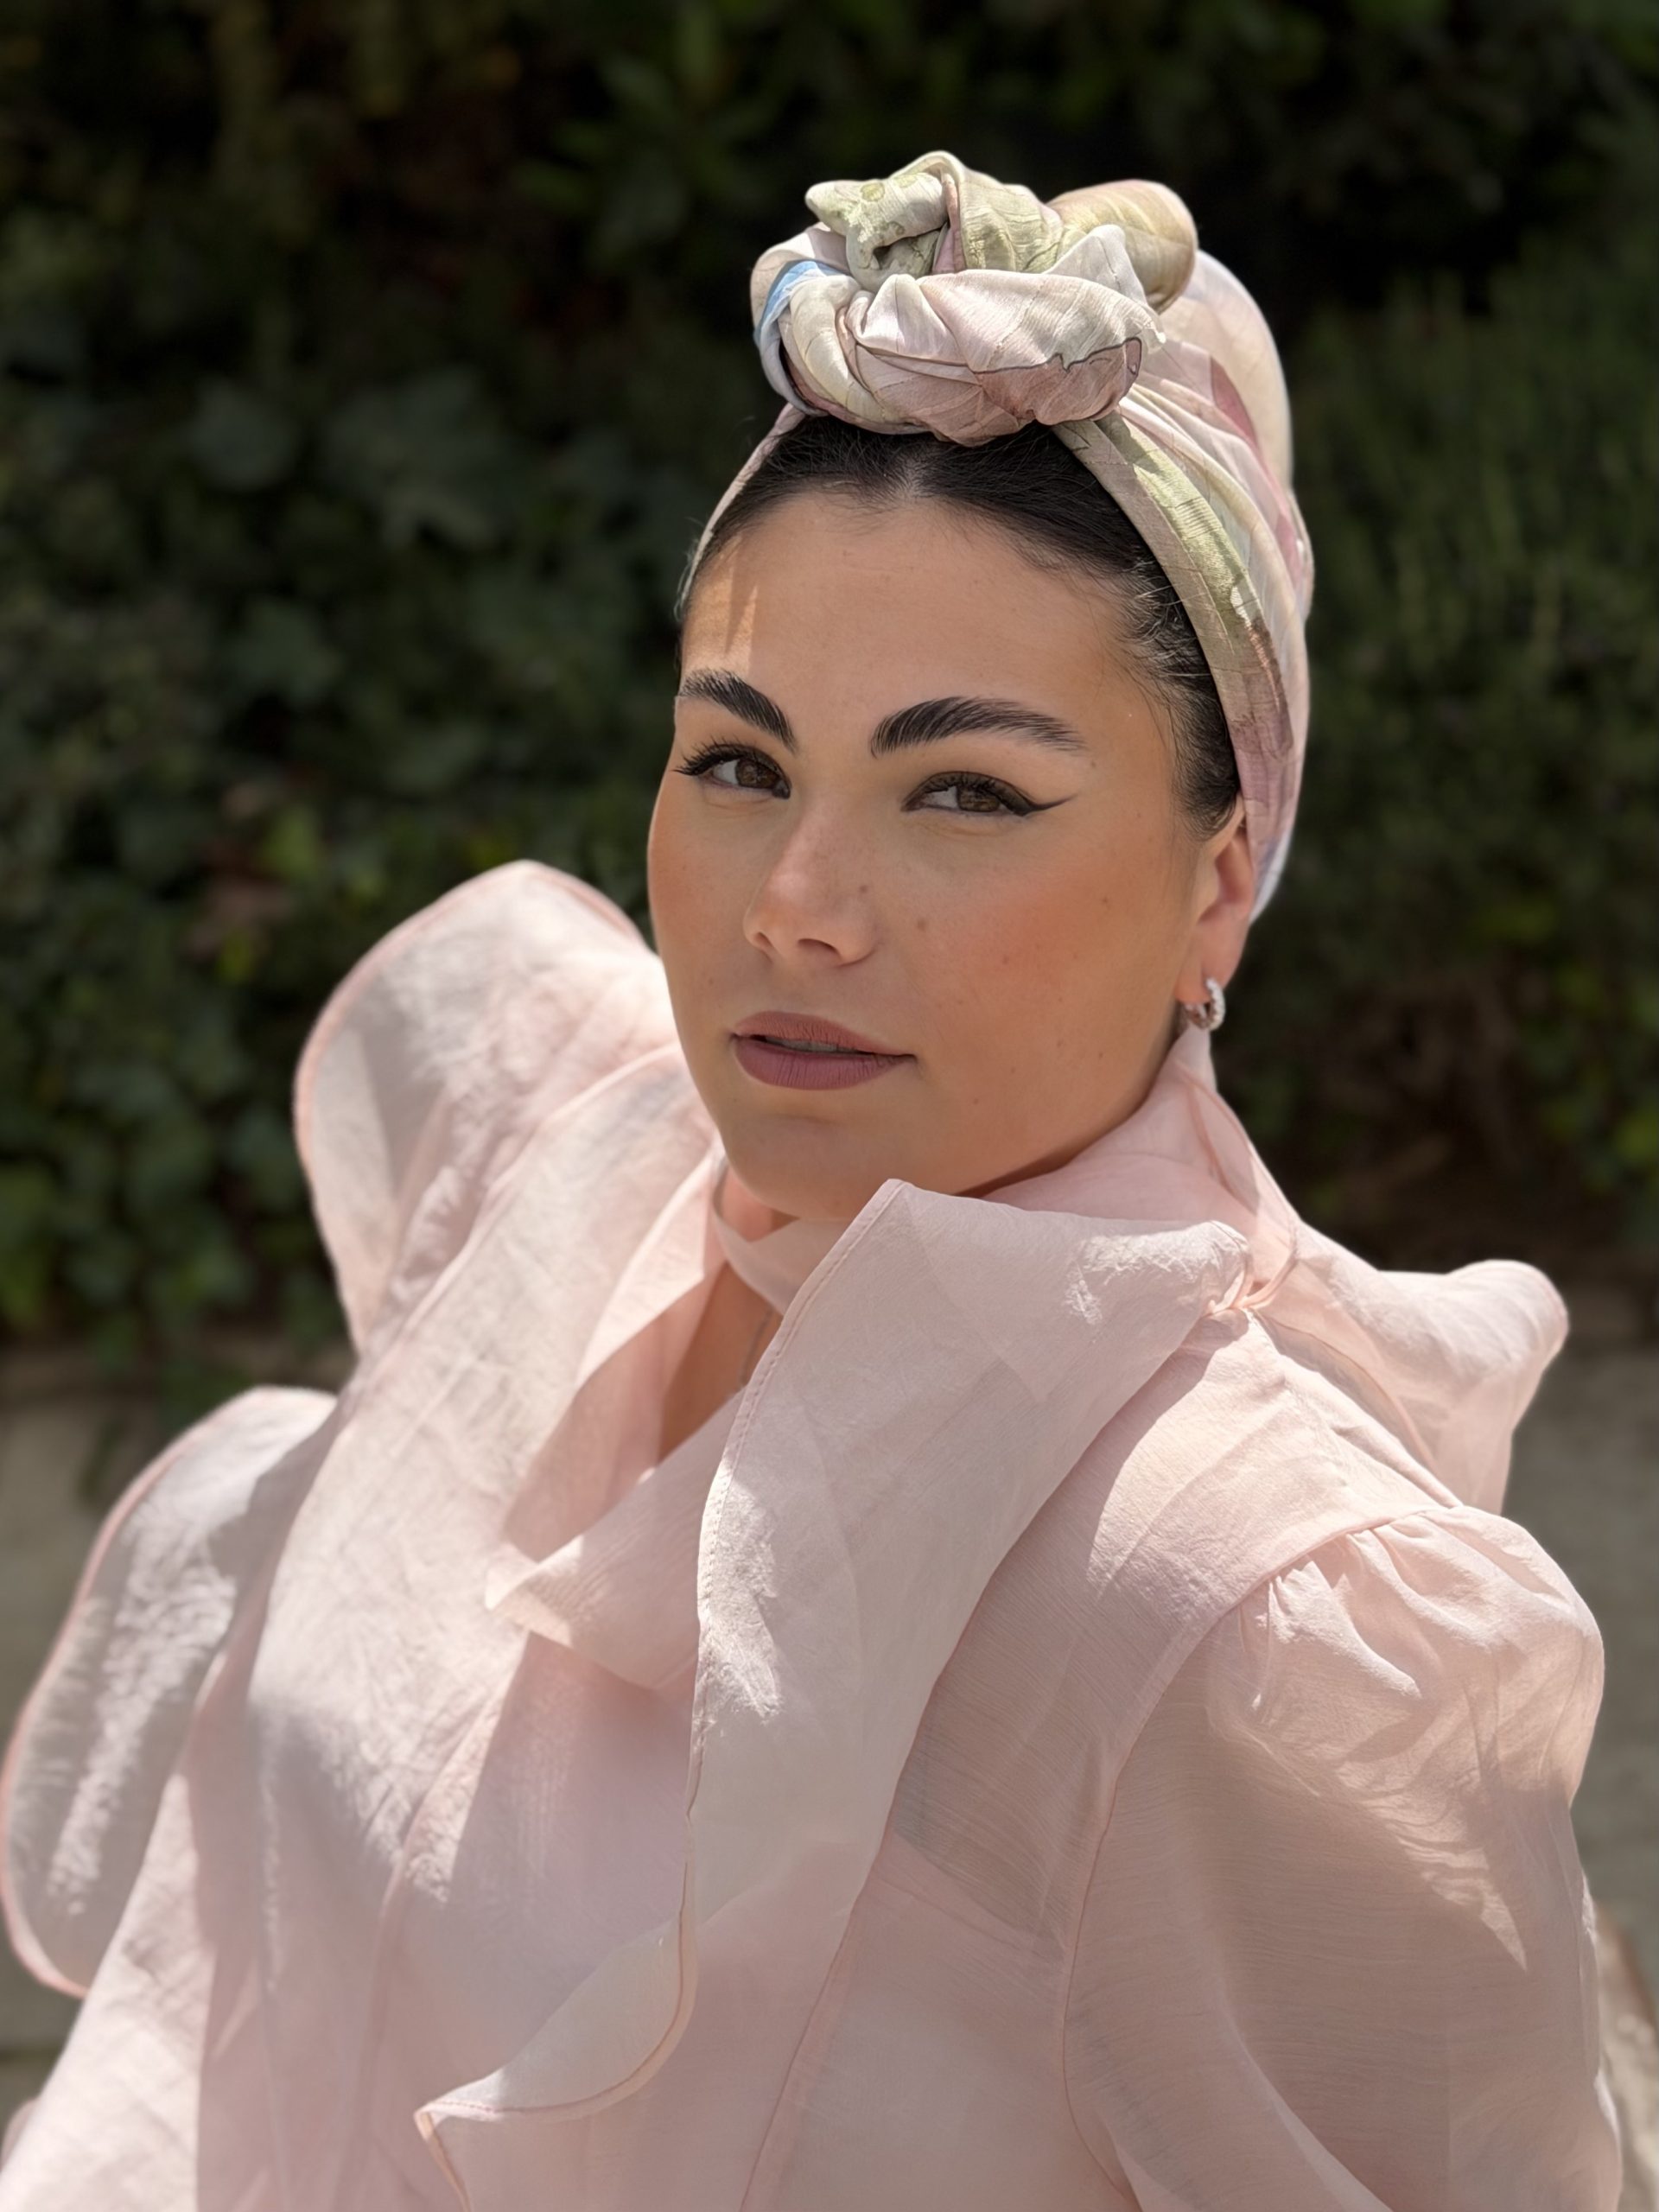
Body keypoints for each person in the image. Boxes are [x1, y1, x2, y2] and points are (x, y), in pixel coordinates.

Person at [0, 150, 1630, 2209]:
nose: (797, 904)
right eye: (740, 761)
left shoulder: (1236, 1606)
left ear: (1222, 879)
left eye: (968, 791)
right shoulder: (565, 1141)